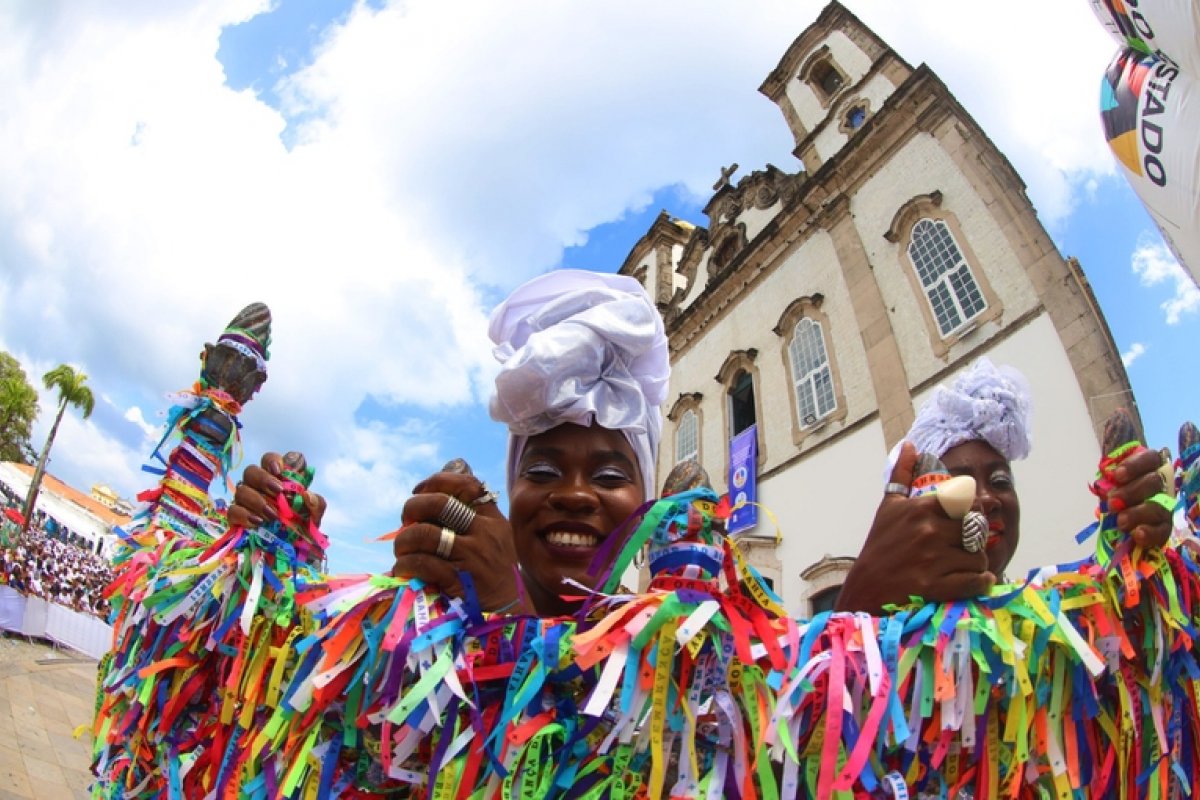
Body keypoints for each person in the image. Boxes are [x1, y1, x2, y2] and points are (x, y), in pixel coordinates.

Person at [229, 269, 669, 617]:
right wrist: (273, 562)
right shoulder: (429, 627)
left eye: (610, 476)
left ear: (645, 503)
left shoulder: (686, 668)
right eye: (541, 471)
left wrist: (508, 615)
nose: (574, 494)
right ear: (510, 492)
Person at [837, 357, 1173, 613]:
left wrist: (1139, 558)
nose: (985, 498)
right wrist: (855, 607)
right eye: (958, 483)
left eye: (1000, 480)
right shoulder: (887, 640)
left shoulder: (1056, 618)